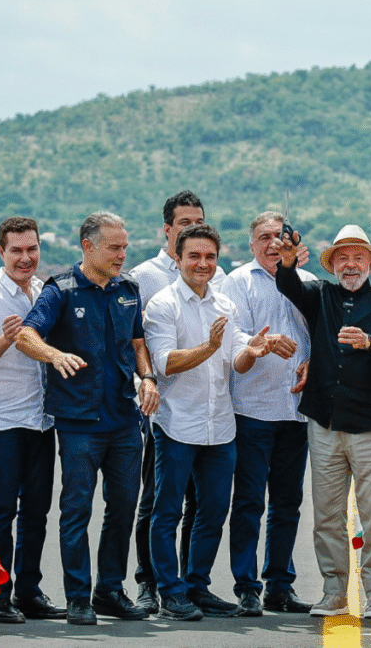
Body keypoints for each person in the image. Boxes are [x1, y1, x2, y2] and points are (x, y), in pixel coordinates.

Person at [15, 212, 159, 626]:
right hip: (78, 422)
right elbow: (27, 335)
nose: (122, 254)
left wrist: (146, 376)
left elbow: (137, 341)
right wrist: (55, 355)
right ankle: (79, 596)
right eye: (114, 247)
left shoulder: (129, 289)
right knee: (76, 509)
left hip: (124, 419)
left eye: (125, 247)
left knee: (123, 507)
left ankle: (110, 590)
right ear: (88, 247)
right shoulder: (59, 290)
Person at [144, 223, 277, 621]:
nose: (203, 264)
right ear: (179, 258)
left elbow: (236, 358)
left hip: (219, 425)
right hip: (177, 423)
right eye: (194, 256)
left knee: (214, 509)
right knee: (167, 511)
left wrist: (253, 350)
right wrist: (209, 346)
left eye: (209, 257)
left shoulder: (224, 305)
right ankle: (170, 591)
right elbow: (165, 363)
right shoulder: (163, 304)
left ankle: (197, 586)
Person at [275, 223, 371, 620]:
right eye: (343, 258)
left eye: (358, 257)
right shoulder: (319, 295)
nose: (350, 264)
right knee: (327, 514)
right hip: (325, 423)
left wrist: (370, 342)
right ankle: (334, 592)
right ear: (333, 266)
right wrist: (288, 263)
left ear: (369, 263)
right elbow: (288, 285)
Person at [0, 216, 66, 623]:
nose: (26, 258)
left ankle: (28, 591)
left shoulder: (45, 293)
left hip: (41, 419)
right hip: (2, 421)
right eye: (17, 251)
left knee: (38, 511)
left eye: (32, 249)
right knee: (2, 510)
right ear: (1, 252)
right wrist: (6, 339)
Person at [128, 190, 225, 613]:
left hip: (212, 415)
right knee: (156, 503)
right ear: (167, 230)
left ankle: (189, 583)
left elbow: (229, 347)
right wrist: (146, 378)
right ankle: (152, 583)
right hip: (165, 408)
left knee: (202, 505)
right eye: (183, 224)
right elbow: (137, 340)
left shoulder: (217, 281)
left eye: (197, 221)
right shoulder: (144, 277)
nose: (190, 228)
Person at [220, 212, 314, 616]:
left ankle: (279, 583)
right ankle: (246, 585)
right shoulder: (238, 281)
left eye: (279, 236)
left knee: (288, 503)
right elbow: (232, 336)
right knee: (248, 502)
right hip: (253, 409)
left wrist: (316, 364)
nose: (273, 243)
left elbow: (320, 336)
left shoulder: (310, 283)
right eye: (264, 237)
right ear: (251, 243)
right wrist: (260, 343)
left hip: (296, 410)